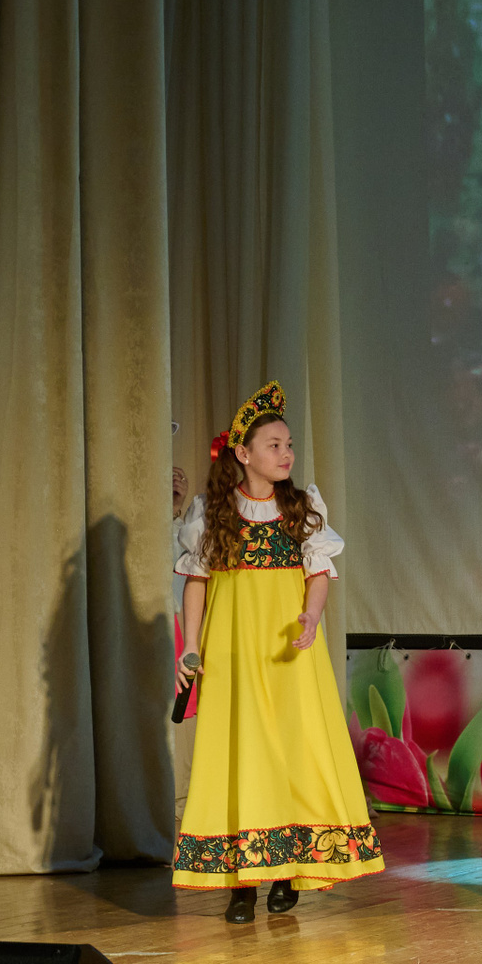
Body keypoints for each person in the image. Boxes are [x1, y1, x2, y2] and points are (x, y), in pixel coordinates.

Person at [174, 382, 382, 923]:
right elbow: (196, 582)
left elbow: (318, 573)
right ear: (243, 454)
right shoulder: (212, 512)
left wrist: (311, 615)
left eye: (288, 445)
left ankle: (288, 869)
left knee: (293, 751)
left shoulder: (301, 507)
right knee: (240, 753)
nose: (286, 453)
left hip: (289, 651)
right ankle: (242, 882)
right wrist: (190, 647)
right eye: (274, 445)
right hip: (234, 649)